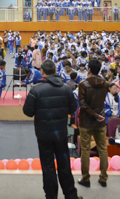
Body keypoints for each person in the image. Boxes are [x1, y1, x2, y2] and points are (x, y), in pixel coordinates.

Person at [23, 59, 81, 199]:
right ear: (55, 71)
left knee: (48, 166)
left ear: (42, 72)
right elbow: (74, 108)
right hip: (61, 133)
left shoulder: (36, 89)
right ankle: (71, 195)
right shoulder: (66, 88)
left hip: (43, 135)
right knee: (64, 164)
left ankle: (51, 196)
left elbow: (28, 112)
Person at [77, 59, 109, 188]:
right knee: (103, 149)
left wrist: (93, 115)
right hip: (100, 120)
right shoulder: (106, 84)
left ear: (89, 69)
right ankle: (103, 178)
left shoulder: (83, 84)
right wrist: (98, 115)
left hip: (86, 120)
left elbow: (82, 104)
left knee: (85, 150)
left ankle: (86, 179)